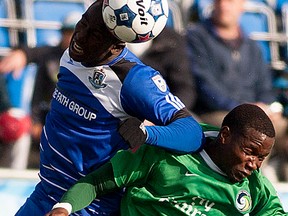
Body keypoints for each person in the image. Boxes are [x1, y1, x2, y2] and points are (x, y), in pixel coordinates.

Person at [15, 1, 204, 215]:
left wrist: (147, 133)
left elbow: (192, 132)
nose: (80, 36)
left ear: (115, 46)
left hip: (89, 206)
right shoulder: (73, 53)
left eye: (94, 35)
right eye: (82, 23)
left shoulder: (134, 80)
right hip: (45, 193)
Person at [46, 103, 287, 216]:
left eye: (262, 158)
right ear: (224, 136)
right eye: (250, 152)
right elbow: (98, 182)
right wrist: (62, 208)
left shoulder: (255, 186)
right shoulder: (170, 150)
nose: (254, 165)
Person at [186, 0, 288, 181]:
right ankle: (253, 184)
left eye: (231, 1)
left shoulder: (251, 46)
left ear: (242, 6)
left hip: (254, 113)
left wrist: (266, 108)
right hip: (217, 112)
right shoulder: (196, 38)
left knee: (281, 127)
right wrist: (244, 108)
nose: (224, 6)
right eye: (220, 1)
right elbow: (205, 86)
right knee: (246, 133)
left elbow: (265, 86)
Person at [0, 11, 82, 150]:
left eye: (77, 32)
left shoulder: (91, 63)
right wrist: (22, 53)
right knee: (21, 134)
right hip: (47, 118)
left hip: (76, 123)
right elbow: (34, 52)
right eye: (68, 32)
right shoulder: (51, 55)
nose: (71, 37)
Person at [127, 26, 198, 115]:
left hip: (162, 112)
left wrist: (165, 113)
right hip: (119, 113)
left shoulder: (172, 39)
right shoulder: (108, 38)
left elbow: (185, 88)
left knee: (191, 125)